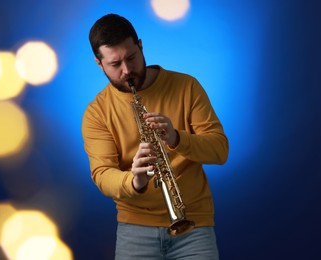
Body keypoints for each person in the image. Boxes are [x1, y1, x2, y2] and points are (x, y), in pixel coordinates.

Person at [82, 13, 229, 260]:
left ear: (140, 46)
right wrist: (135, 180)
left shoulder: (186, 86)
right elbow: (102, 174)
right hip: (134, 230)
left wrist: (177, 138)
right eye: (115, 64)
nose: (127, 71)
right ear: (99, 64)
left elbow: (220, 150)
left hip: (194, 224)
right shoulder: (97, 112)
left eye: (131, 58)